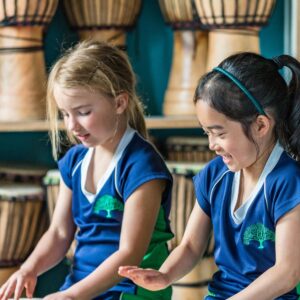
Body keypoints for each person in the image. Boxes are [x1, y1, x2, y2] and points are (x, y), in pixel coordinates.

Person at [0, 40, 174, 300]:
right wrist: (29, 269)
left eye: (83, 112)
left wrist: (71, 296)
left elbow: (130, 253)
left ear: (119, 103)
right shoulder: (75, 160)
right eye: (64, 114)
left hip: (129, 291)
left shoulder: (141, 166)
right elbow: (59, 233)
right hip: (82, 286)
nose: (72, 125)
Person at [119, 52, 300, 299]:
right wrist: (165, 275)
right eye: (207, 133)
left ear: (260, 126)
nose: (212, 144)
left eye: (220, 133)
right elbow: (192, 246)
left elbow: (286, 272)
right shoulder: (215, 175)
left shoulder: (289, 181)